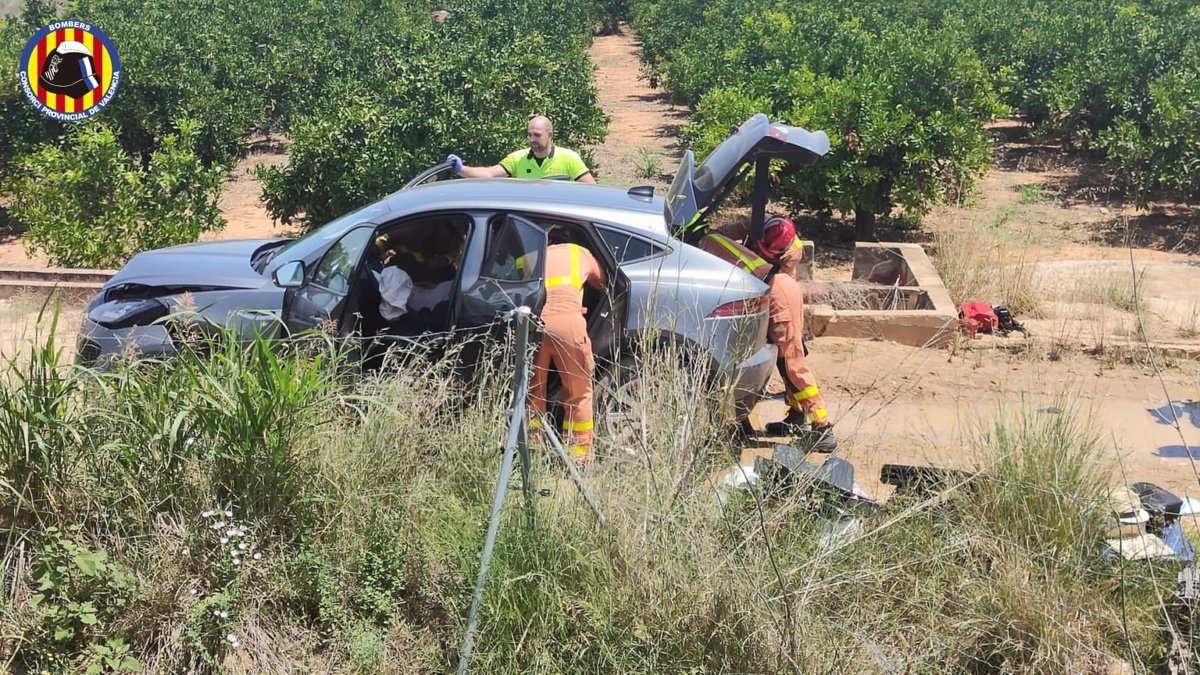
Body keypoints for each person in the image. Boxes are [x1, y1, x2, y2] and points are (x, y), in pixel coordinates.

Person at [697, 215, 837, 452]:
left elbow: (769, 280)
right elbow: (721, 234)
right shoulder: (759, 225)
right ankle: (797, 416)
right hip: (777, 291)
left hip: (780, 299)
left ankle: (823, 427)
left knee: (791, 362)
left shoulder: (790, 252)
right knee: (785, 363)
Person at [528, 232, 608, 464]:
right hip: (569, 326)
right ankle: (579, 458)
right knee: (579, 393)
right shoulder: (578, 252)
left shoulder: (532, 254)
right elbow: (603, 282)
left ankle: (532, 452)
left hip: (535, 324)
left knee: (533, 393)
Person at [446, 115, 597, 183]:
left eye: (537, 135)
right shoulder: (518, 158)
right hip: (527, 225)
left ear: (550, 135)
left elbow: (592, 189)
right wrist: (461, 169)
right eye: (529, 135)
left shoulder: (569, 158)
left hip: (561, 226)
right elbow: (489, 173)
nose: (532, 139)